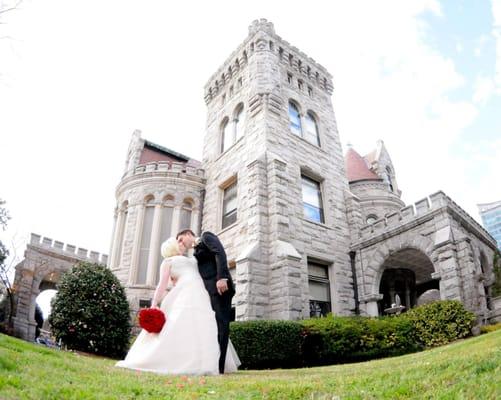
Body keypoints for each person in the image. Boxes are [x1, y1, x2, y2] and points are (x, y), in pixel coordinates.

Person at [116, 237, 239, 375]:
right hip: (199, 292)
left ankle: (190, 360)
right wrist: (154, 302)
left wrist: (155, 303)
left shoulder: (179, 261)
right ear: (171, 248)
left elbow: (164, 285)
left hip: (191, 291)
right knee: (202, 324)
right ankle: (204, 362)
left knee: (188, 323)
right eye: (178, 242)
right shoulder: (184, 261)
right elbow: (163, 284)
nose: (181, 244)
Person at [176, 229, 236, 374]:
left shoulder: (206, 236)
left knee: (222, 325)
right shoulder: (195, 252)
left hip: (220, 287)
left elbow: (220, 252)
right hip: (210, 292)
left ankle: (220, 367)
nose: (180, 243)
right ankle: (214, 362)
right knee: (214, 326)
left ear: (189, 234)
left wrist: (222, 277)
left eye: (181, 239)